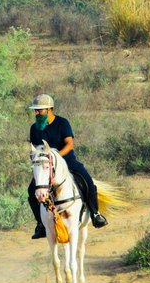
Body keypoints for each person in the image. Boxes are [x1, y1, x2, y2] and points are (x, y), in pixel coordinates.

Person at [28, 94, 107, 239]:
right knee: (31, 190)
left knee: (88, 181)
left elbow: (69, 145)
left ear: (49, 109)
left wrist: (56, 158)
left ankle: (96, 214)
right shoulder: (34, 128)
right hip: (46, 166)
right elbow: (35, 147)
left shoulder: (62, 123)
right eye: (35, 110)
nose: (37, 113)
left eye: (40, 110)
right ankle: (40, 224)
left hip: (67, 160)